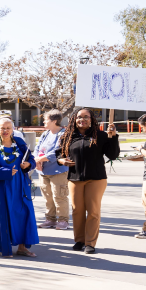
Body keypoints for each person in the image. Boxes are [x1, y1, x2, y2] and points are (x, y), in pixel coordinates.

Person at [56, 107, 119, 254]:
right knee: (77, 211)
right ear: (74, 119)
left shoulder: (101, 135)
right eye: (79, 117)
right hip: (74, 178)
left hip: (96, 179)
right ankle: (79, 240)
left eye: (86, 117)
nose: (82, 120)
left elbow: (113, 155)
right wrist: (61, 160)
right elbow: (58, 154)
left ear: (91, 120)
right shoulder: (67, 136)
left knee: (93, 211)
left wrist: (113, 137)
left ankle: (90, 243)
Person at [0, 117, 39, 257]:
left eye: (8, 128)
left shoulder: (19, 143)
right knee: (3, 216)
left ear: (13, 129)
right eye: (3, 128)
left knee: (23, 214)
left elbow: (30, 158)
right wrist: (3, 172)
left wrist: (28, 165)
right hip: (2, 187)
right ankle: (5, 248)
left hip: (19, 185)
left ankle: (22, 247)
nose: (6, 130)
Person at [34, 109, 70, 230]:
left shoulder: (63, 134)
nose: (43, 121)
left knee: (59, 196)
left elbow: (57, 153)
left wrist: (39, 160)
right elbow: (37, 148)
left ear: (54, 121)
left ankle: (63, 220)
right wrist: (36, 160)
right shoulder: (45, 134)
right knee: (47, 197)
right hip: (43, 171)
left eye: (46, 119)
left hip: (58, 171)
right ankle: (50, 219)